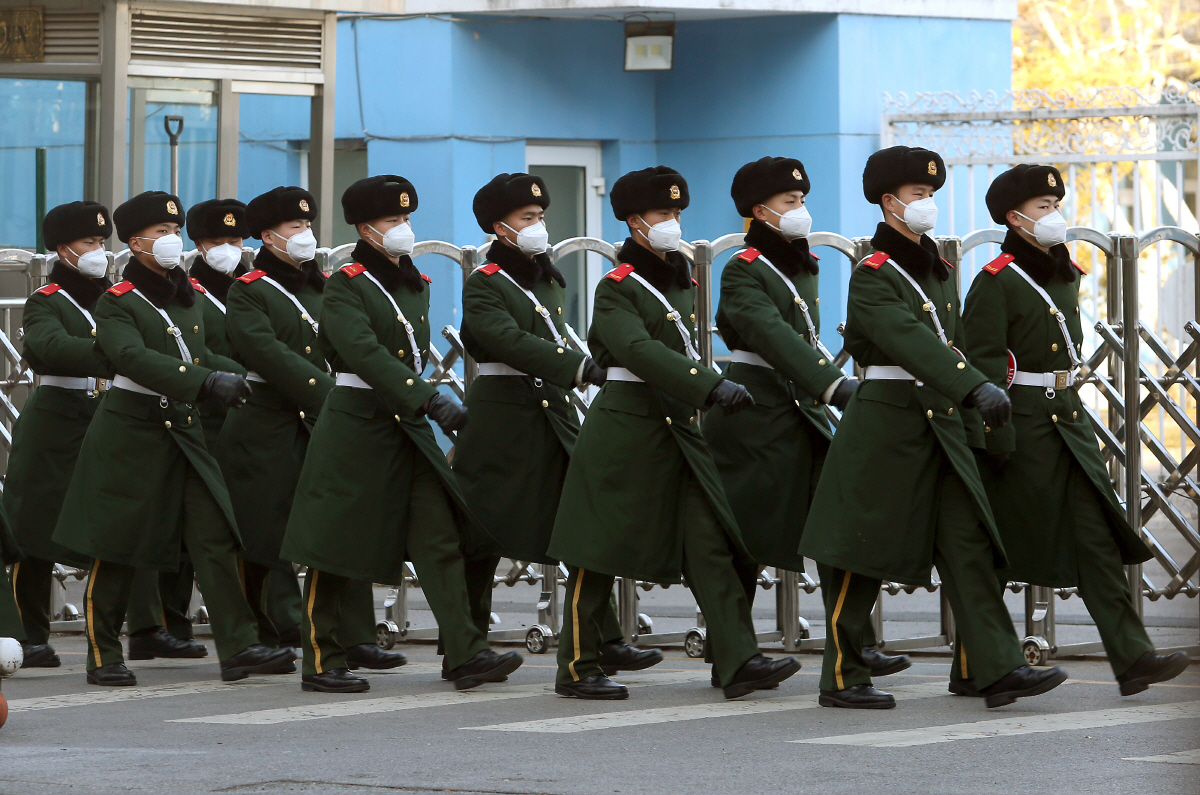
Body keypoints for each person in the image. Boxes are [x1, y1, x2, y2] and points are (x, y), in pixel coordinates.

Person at [800, 146, 1069, 710]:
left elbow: (955, 341)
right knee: (859, 553)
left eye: (930, 195)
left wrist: (976, 397)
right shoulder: (872, 274)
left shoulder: (938, 268)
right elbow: (909, 339)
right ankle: (843, 675)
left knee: (970, 543)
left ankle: (991, 668)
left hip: (942, 424)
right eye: (918, 196)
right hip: (888, 423)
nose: (928, 205)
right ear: (888, 201)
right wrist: (971, 384)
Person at [547, 166, 801, 701]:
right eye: (664, 214)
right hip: (627, 428)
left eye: (678, 213)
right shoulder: (616, 287)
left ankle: (735, 660)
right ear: (636, 222)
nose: (674, 222)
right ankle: (575, 666)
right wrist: (708, 386)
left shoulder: (678, 274)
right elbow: (638, 350)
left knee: (710, 545)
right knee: (597, 552)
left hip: (678, 430)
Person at [281, 175, 523, 693]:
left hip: (405, 428)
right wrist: (428, 398)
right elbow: (363, 353)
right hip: (358, 423)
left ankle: (465, 653)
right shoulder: (344, 284)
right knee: (334, 545)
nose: (404, 229)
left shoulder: (415, 283)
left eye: (407, 219)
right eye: (394, 221)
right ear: (366, 229)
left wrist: (421, 402)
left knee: (440, 539)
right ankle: (321, 659)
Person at [957, 164, 1188, 697]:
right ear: (1015, 219)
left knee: (1096, 538)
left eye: (1056, 207)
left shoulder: (1063, 274)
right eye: (1044, 209)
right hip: (1019, 424)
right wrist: (995, 440)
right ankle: (979, 667)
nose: (1055, 216)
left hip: (1066, 420)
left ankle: (1132, 659)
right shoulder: (995, 282)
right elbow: (984, 366)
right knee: (997, 548)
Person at [51, 190, 296, 686]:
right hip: (132, 430)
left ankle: (239, 646)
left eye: (174, 231)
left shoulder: (189, 299)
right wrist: (204, 383)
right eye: (161, 232)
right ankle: (103, 652)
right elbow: (133, 359)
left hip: (183, 433)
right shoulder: (118, 303)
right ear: (135, 242)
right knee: (118, 544)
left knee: (215, 537)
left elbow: (204, 355)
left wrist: (253, 379)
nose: (171, 239)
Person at [704, 157, 910, 686]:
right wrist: (831, 382)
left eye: (801, 201)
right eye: (790, 203)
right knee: (741, 542)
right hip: (754, 413)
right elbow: (771, 334)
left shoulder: (798, 263)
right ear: (759, 211)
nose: (801, 211)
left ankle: (854, 643)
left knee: (838, 525)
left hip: (801, 412)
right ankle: (733, 655)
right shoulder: (743, 267)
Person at [453, 173, 658, 681]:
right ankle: (465, 645)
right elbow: (504, 339)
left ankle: (602, 637)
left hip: (553, 413)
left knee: (584, 528)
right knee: (480, 536)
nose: (538, 226)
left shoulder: (545, 278)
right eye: (527, 218)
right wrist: (575, 367)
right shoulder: (484, 283)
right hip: (501, 416)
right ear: (499, 228)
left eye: (540, 217)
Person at [213, 186, 381, 667]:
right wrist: (330, 394)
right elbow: (268, 354)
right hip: (265, 423)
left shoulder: (326, 286)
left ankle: (356, 636)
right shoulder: (249, 291)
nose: (306, 235)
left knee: (339, 527)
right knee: (261, 534)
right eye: (295, 228)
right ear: (268, 237)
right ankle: (259, 632)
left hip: (322, 421)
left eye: (308, 226)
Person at [5, 201, 114, 668]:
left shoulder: (117, 297)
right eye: (89, 243)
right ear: (62, 248)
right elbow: (48, 346)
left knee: (118, 524)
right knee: (33, 529)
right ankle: (28, 633)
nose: (98, 251)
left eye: (101, 242)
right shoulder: (46, 299)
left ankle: (132, 629)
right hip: (55, 417)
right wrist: (117, 350)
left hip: (109, 412)